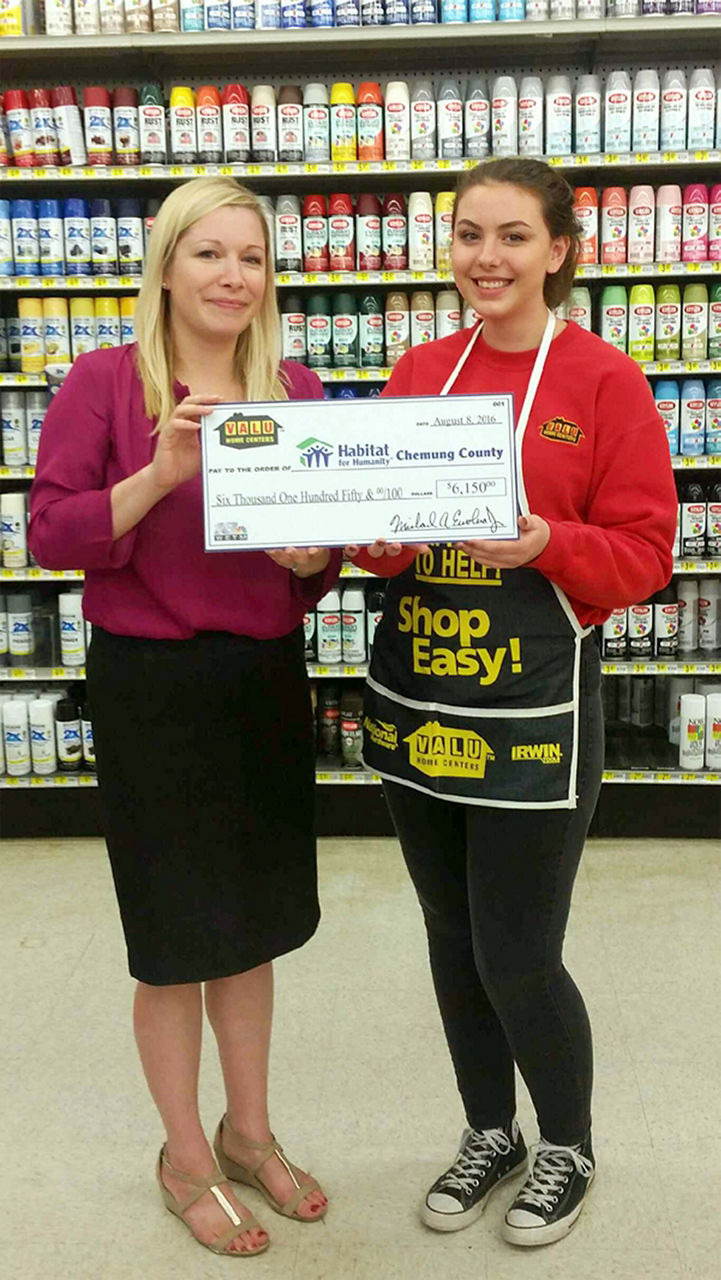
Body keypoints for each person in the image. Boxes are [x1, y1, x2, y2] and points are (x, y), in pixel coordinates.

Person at [351, 158, 677, 1248]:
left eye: (510, 236)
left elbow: (645, 552)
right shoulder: (418, 370)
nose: (485, 258)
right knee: (451, 936)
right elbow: (385, 540)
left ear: (558, 250)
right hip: (420, 696)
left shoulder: (603, 381)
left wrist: (548, 542)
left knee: (519, 950)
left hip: (536, 713)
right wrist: (371, 542)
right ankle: (489, 1127)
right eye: (466, 235)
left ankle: (569, 1141)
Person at [29, 177, 335, 1258]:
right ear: (164, 264)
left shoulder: (292, 386)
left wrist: (316, 556)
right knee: (170, 943)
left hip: (259, 678)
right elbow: (53, 532)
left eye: (250, 257)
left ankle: (246, 1130)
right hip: (151, 690)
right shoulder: (105, 384)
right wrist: (159, 472)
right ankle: (183, 1158)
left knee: (249, 927)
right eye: (208, 253)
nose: (231, 276)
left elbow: (317, 548)